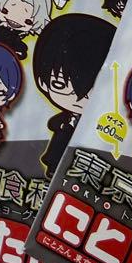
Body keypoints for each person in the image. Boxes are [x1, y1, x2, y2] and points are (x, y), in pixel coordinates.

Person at [33, 13, 116, 175]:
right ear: (43, 82)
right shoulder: (65, 118)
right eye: (60, 85)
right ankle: (52, 168)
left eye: (92, 89)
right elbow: (53, 123)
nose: (78, 98)